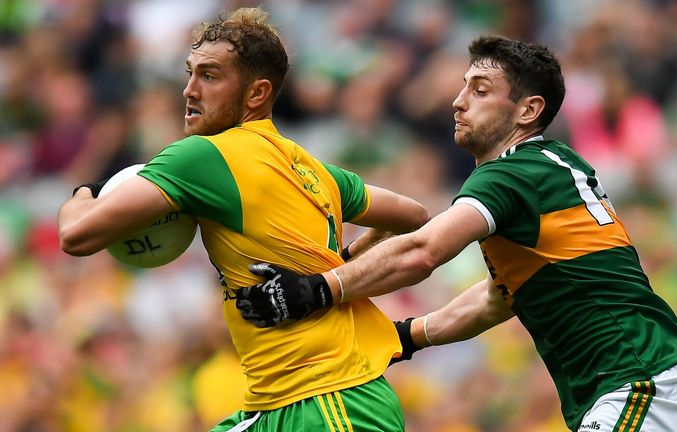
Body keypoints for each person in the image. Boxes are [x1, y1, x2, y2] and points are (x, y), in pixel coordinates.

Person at [236, 35, 677, 432]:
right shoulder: (548, 167)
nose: (458, 101)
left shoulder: (512, 173)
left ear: (528, 111)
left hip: (639, 386)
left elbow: (424, 250)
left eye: (481, 90)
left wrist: (316, 290)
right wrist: (403, 337)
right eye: (463, 87)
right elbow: (495, 299)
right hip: (661, 388)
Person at [57, 7, 429, 432]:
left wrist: (87, 191)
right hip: (286, 402)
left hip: (330, 402)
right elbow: (412, 214)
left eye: (210, 76)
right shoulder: (311, 167)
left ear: (256, 94)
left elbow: (76, 236)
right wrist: (346, 256)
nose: (189, 90)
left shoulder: (203, 156)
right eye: (190, 73)